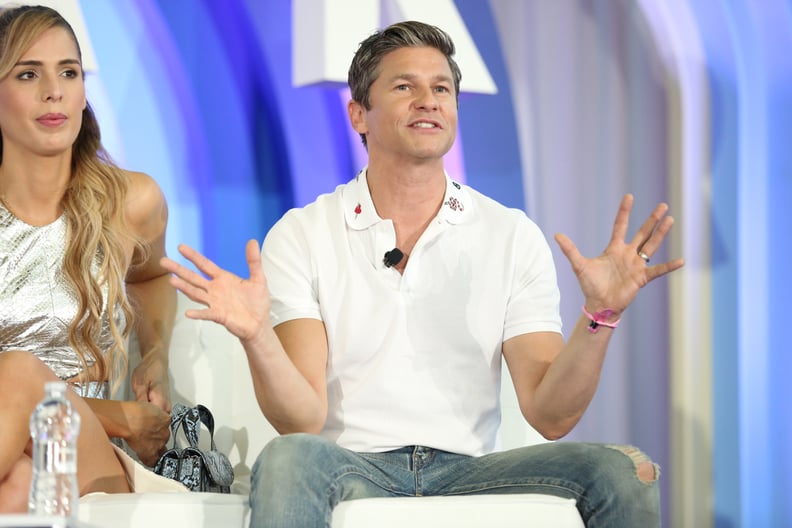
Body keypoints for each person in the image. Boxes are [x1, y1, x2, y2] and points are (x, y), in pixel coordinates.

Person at [162, 20, 684, 526]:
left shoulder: (510, 234)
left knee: (622, 471)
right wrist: (257, 337)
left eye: (441, 88)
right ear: (358, 115)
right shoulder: (303, 233)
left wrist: (601, 315)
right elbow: (300, 420)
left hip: (472, 468)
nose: (428, 100)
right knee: (288, 458)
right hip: (351, 463)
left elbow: (551, 416)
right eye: (404, 86)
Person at [0, 5, 185, 513]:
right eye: (27, 73)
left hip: (91, 458)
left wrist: (156, 353)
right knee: (16, 482)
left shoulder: (131, 202)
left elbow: (150, 277)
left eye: (68, 72)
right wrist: (116, 414)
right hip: (25, 456)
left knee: (17, 373)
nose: (53, 91)